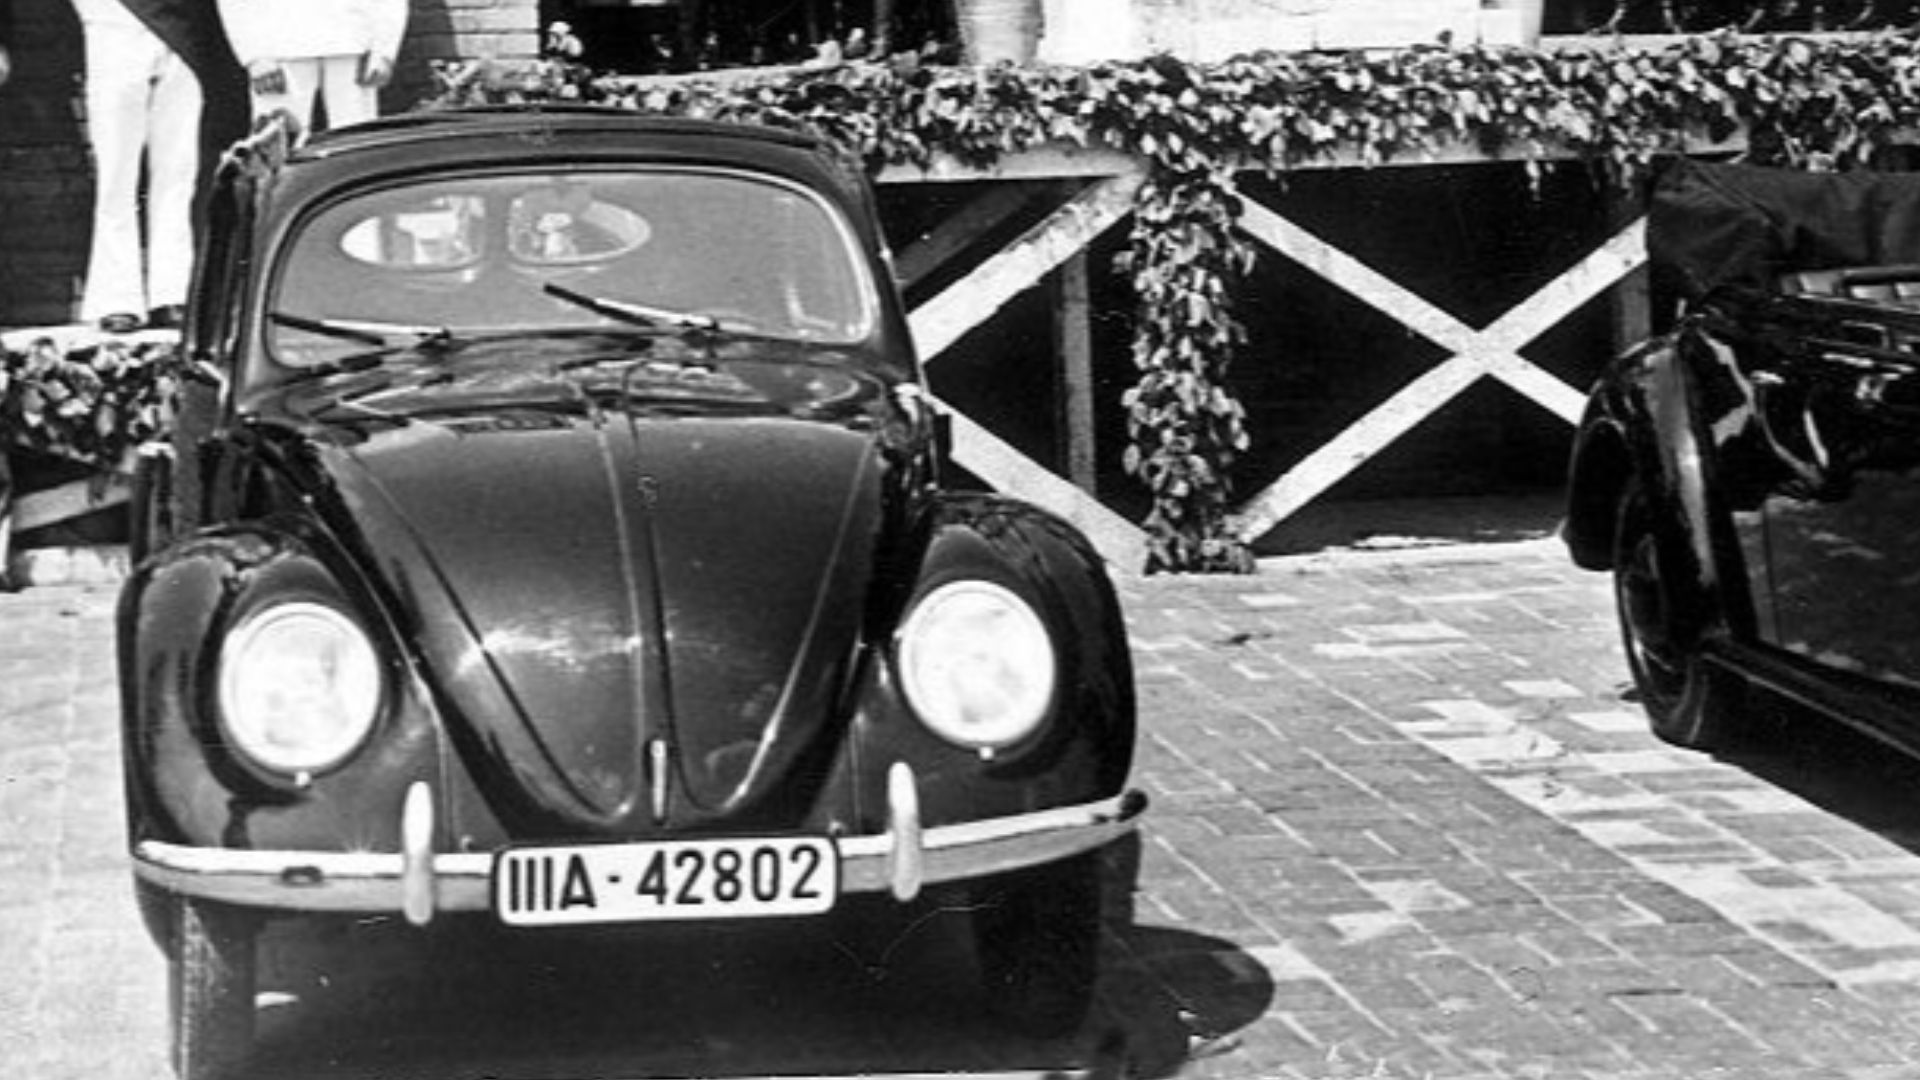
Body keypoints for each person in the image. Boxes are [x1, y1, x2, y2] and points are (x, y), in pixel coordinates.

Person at [70, 0, 209, 332]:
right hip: (114, 26)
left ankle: (172, 292)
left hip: (182, 34)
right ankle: (116, 298)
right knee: (116, 174)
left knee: (178, 171)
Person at [217, 0, 408, 135]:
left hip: (353, 42)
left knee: (356, 136)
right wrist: (255, 55)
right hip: (280, 45)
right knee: (276, 140)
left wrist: (384, 50)